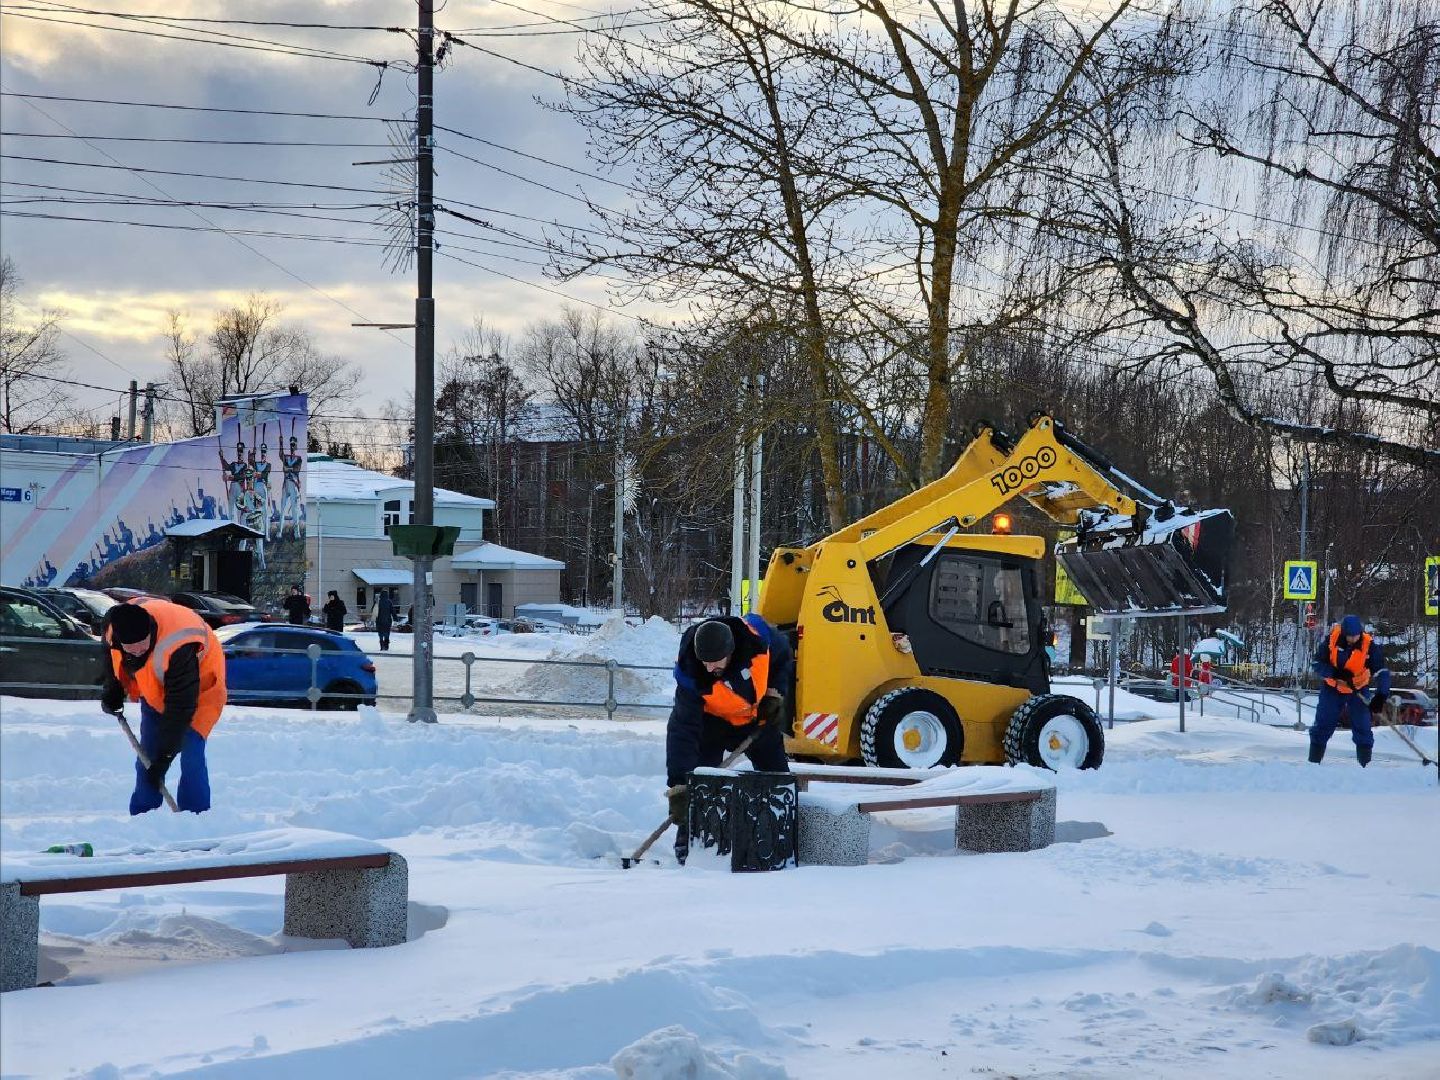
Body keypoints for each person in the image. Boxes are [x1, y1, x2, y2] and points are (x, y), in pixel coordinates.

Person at [665, 615, 794, 856]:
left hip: (757, 720)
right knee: (700, 781)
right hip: (712, 725)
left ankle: (782, 836)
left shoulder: (759, 640)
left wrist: (775, 693)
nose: (710, 668)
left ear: (731, 650)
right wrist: (679, 785)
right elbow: (682, 732)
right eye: (705, 662)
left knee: (777, 776)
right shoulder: (691, 674)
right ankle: (689, 843)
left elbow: (783, 657)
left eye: (715, 662)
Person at [99, 598, 226, 814]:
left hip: (200, 691)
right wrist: (114, 689)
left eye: (142, 644)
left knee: (191, 755)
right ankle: (144, 815)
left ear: (151, 630)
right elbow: (111, 657)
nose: (138, 651)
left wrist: (165, 758)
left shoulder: (179, 644)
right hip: (154, 688)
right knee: (147, 758)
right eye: (131, 648)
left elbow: (180, 706)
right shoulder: (115, 629)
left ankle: (196, 816)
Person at [1310, 614, 1390, 767]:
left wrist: (1381, 695)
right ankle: (1313, 762)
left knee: (1363, 726)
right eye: (1350, 636)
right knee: (1323, 723)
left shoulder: (1369, 645)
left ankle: (1365, 765)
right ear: (1344, 633)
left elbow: (1382, 671)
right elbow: (1316, 663)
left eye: (1356, 635)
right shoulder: (1331, 640)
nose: (1353, 639)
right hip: (1332, 688)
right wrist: (1334, 672)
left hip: (1358, 689)